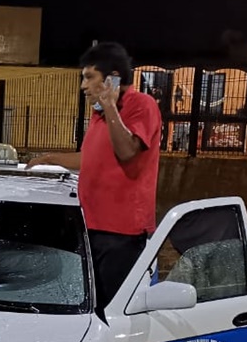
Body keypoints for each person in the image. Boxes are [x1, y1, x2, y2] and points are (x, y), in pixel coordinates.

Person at [27, 42, 162, 313]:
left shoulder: (141, 105)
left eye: (89, 77)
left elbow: (127, 152)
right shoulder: (100, 115)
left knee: (111, 312)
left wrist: (111, 107)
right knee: (88, 308)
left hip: (122, 234)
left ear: (112, 78)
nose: (83, 86)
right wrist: (49, 159)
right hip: (90, 227)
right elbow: (90, 160)